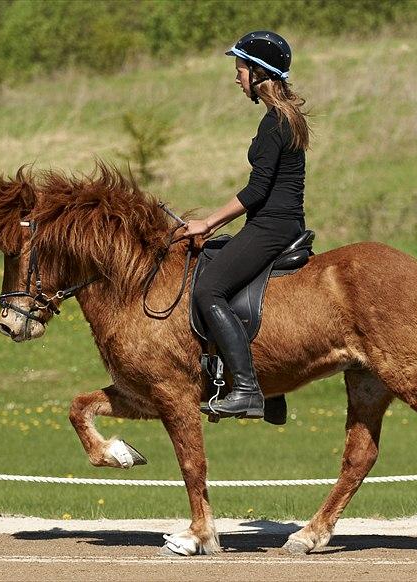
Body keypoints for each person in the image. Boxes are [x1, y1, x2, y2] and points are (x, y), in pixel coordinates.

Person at [181, 30, 311, 420]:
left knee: (209, 289)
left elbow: (256, 192)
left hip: (272, 225)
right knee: (212, 258)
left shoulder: (275, 124)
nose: (236, 78)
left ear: (258, 73)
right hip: (276, 223)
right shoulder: (281, 118)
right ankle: (273, 385)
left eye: (240, 70)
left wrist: (206, 221)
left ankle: (250, 389)